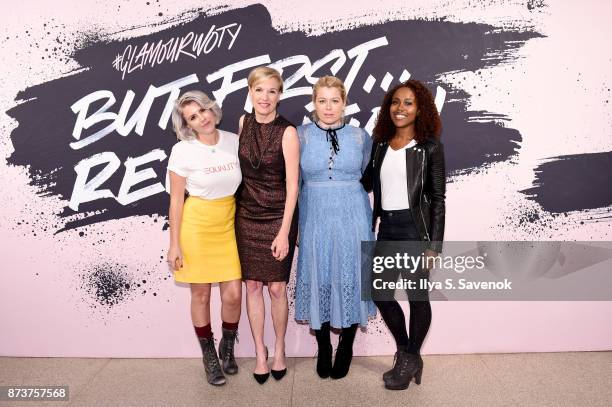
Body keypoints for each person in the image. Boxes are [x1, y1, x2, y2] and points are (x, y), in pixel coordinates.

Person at [362, 79, 446, 390]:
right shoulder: (381, 144)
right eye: (396, 102)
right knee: (380, 294)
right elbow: (366, 184)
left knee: (417, 297)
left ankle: (410, 357)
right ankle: (407, 352)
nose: (401, 108)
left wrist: (434, 245)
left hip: (416, 232)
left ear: (420, 108)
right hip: (388, 229)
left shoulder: (430, 147)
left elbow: (438, 198)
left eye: (408, 102)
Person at [295, 75, 376, 379]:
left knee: (352, 275)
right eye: (322, 101)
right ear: (314, 103)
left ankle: (347, 344)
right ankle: (325, 346)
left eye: (335, 100)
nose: (328, 108)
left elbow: (369, 178)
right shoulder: (300, 135)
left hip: (353, 215)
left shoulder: (359, 136)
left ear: (344, 102)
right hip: (314, 214)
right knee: (320, 277)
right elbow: (294, 183)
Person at [166, 90, 242, 386]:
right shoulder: (182, 150)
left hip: (228, 223)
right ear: (187, 124)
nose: (202, 118)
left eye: (204, 110)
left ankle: (228, 344)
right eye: (193, 117)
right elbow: (175, 201)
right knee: (201, 294)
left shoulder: (233, 141)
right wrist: (174, 244)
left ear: (213, 109)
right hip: (196, 226)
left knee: (233, 294)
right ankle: (210, 355)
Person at [235, 66, 299, 384]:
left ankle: (279, 349)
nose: (265, 97)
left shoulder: (288, 131)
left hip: (278, 216)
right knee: (252, 286)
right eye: (259, 90)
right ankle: (260, 352)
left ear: (280, 95)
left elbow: (293, 186)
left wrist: (285, 231)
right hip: (247, 215)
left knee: (276, 287)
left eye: (272, 91)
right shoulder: (242, 122)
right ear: (250, 92)